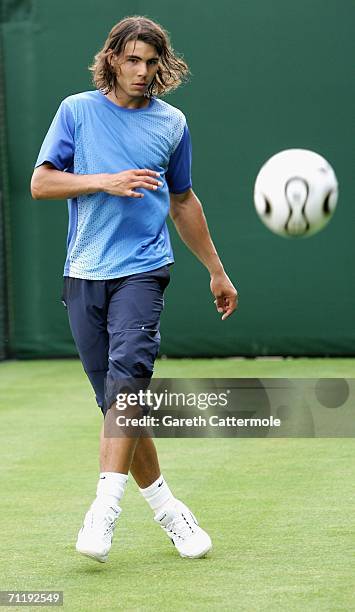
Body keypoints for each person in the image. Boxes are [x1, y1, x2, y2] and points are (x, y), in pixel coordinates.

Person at [31, 15, 238, 563]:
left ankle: (103, 510)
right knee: (118, 406)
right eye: (133, 60)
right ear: (113, 59)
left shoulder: (172, 124)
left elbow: (183, 202)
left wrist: (216, 270)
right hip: (84, 273)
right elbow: (42, 182)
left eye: (151, 62)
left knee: (129, 386)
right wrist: (105, 179)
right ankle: (171, 510)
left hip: (143, 270)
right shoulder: (76, 111)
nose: (142, 72)